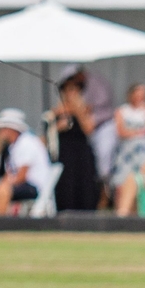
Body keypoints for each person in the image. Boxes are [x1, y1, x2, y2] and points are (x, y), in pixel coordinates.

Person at [0, 108, 51, 214]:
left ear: (11, 129)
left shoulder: (27, 143)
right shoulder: (14, 146)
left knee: (3, 192)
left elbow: (22, 176)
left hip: (34, 187)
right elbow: (11, 174)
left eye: (3, 128)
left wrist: (0, 187)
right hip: (24, 185)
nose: (0, 132)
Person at [51, 70, 101, 212]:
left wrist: (78, 111)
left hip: (81, 152)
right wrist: (58, 127)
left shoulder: (84, 109)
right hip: (65, 152)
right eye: (68, 90)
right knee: (66, 184)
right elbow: (47, 133)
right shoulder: (57, 111)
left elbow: (89, 129)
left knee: (84, 183)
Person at [109, 83, 145, 216]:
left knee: (142, 184)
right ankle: (122, 213)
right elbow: (121, 131)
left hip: (144, 153)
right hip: (127, 154)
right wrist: (140, 131)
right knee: (122, 183)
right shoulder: (122, 111)